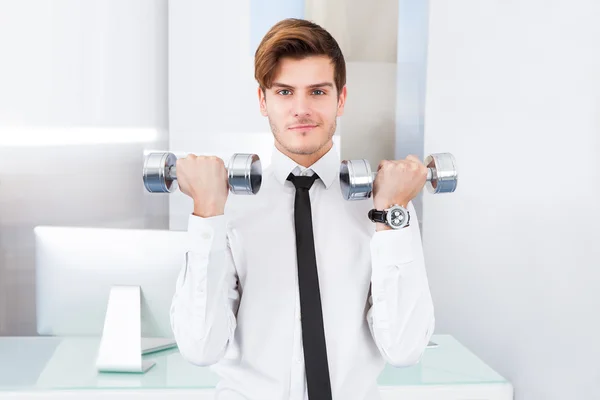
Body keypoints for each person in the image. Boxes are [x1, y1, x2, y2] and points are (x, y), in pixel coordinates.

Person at [169, 18, 435, 400]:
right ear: (262, 101)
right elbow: (200, 348)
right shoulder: (228, 209)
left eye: (317, 92)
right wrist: (207, 214)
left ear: (341, 98)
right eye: (284, 92)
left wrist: (393, 213)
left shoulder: (381, 211)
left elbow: (405, 350)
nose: (301, 109)